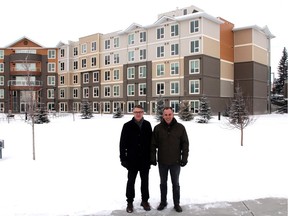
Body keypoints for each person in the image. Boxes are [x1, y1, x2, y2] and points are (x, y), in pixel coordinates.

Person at [151, 107, 189, 213]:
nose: (168, 117)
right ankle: (163, 202)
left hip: (175, 162)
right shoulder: (158, 128)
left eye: (169, 114)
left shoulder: (180, 128)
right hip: (162, 162)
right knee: (163, 183)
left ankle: (177, 203)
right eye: (166, 115)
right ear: (163, 116)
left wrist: (184, 158)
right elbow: (153, 144)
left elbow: (185, 144)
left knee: (175, 184)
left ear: (173, 114)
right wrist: (153, 158)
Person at [119, 105, 152, 213]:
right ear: (133, 113)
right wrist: (123, 158)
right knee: (131, 181)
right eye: (136, 112)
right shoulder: (127, 126)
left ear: (143, 113)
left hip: (144, 160)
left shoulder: (147, 125)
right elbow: (122, 144)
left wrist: (151, 158)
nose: (138, 114)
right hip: (132, 160)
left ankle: (145, 201)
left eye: (140, 112)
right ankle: (129, 202)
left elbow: (151, 143)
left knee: (145, 181)